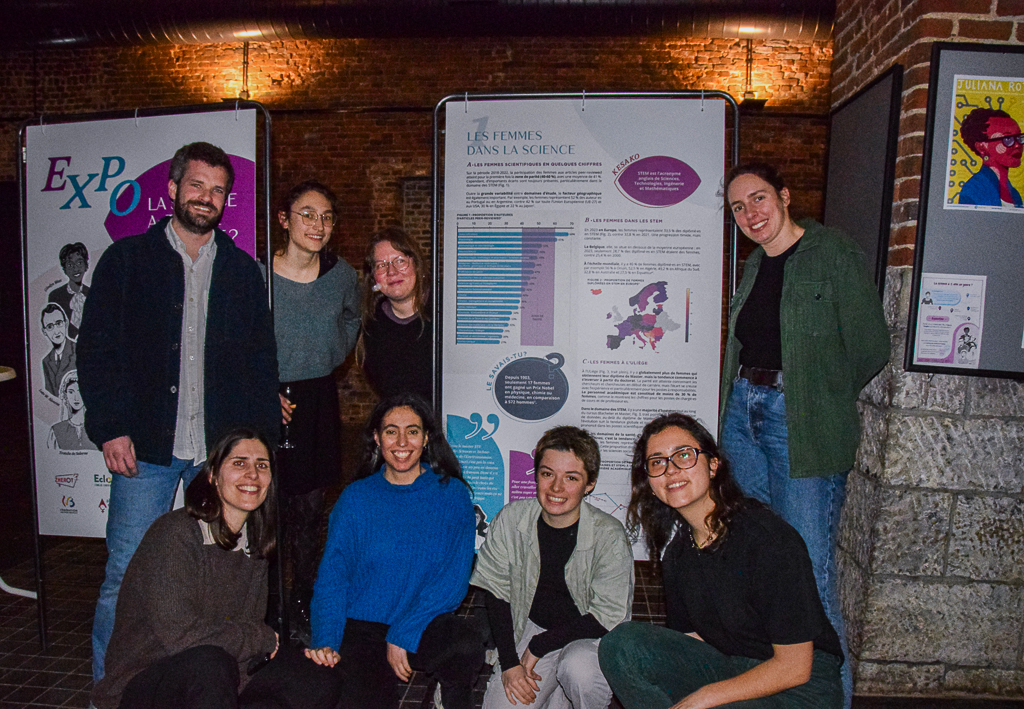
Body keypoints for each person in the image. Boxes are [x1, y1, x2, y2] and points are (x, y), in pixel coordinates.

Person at [78, 141, 280, 681]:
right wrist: (111, 427)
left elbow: (260, 362)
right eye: (197, 185)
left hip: (217, 454)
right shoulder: (126, 261)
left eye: (218, 190)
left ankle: (209, 685)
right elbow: (96, 351)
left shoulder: (242, 273)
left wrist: (256, 450)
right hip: (145, 448)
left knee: (223, 574)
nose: (206, 198)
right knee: (125, 574)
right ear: (171, 188)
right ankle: (109, 692)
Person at [719, 162, 889, 708]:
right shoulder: (754, 264)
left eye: (759, 198)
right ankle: (772, 688)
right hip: (744, 413)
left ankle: (832, 698)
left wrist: (819, 396)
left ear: (785, 196)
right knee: (757, 557)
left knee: (809, 570)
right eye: (738, 207)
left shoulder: (831, 253)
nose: (750, 213)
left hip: (800, 422)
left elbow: (871, 346)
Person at [598, 414, 844, 709]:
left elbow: (795, 667)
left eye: (684, 455)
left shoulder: (767, 539)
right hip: (732, 667)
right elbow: (692, 642)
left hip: (801, 687)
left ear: (713, 465)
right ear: (650, 483)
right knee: (620, 645)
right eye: (657, 462)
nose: (671, 470)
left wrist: (705, 696)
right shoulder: (678, 554)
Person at [90, 428, 341, 709]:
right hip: (147, 682)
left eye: (262, 466)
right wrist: (262, 638)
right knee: (210, 662)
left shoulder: (255, 543)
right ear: (212, 476)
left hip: (217, 679)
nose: (252, 474)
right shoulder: (176, 534)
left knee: (317, 678)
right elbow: (183, 638)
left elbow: (246, 636)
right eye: (239, 463)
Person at [306, 393, 485, 709]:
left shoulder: (451, 495)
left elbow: (453, 580)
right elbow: (333, 579)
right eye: (391, 431)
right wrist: (326, 641)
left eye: (412, 431)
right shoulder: (356, 499)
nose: (402, 442)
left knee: (463, 644)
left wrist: (404, 632)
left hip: (423, 620)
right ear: (377, 438)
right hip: (362, 626)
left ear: (426, 438)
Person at [471, 426, 634, 709]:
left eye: (571, 478)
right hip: (533, 626)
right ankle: (555, 693)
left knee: (578, 671)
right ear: (536, 474)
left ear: (590, 484)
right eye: (548, 474)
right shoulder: (512, 519)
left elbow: (607, 615)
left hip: (588, 638)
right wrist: (510, 663)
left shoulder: (609, 534)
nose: (556, 488)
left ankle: (568, 693)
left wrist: (540, 645)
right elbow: (496, 593)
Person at [265, 179, 360, 638]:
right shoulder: (258, 276)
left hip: (318, 397)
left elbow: (352, 318)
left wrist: (328, 355)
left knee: (309, 512)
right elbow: (235, 340)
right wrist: (262, 387)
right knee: (266, 509)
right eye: (307, 214)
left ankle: (302, 603)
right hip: (268, 398)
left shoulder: (341, 276)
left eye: (326, 217)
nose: (318, 224)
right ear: (284, 219)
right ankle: (265, 608)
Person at [359, 227, 433, 402]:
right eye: (381, 265)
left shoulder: (446, 311)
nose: (391, 272)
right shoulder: (372, 326)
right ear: (373, 277)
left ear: (416, 264)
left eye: (400, 261)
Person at [957, 108, 1024, 207]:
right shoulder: (974, 190)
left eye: (1019, 137)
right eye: (1007, 139)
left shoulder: (1015, 195)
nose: (1018, 145)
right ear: (982, 147)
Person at [48, 242, 91, 340]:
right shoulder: (56, 296)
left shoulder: (92, 293)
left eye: (79, 263)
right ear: (65, 269)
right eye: (70, 265)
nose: (75, 268)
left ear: (85, 265)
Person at [48, 371, 97, 451]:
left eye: (80, 391)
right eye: (71, 392)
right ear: (65, 395)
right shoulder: (56, 430)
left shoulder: (100, 427)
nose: (75, 398)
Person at [40, 303, 75, 398]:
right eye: (50, 327)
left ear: (66, 323)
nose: (56, 331)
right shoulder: (46, 361)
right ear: (44, 331)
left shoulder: (78, 351)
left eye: (59, 323)